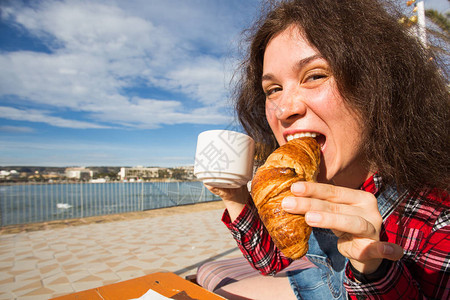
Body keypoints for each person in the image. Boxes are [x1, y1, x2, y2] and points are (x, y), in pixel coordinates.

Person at [203, 0, 450, 299]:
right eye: (274, 89)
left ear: (378, 85)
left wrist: (374, 270)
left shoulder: (435, 220)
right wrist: (234, 195)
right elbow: (272, 260)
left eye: (315, 75)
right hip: (326, 284)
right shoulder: (300, 182)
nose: (284, 110)